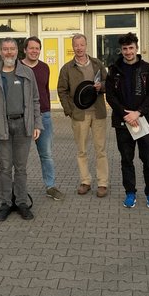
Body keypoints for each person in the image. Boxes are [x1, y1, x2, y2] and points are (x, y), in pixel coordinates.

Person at [0, 38, 42, 222]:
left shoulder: (27, 73)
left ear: (17, 51)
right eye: (5, 49)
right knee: (5, 168)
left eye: (12, 49)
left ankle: (21, 202)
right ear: (0, 52)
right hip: (2, 126)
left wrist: (37, 124)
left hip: (23, 125)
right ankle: (6, 203)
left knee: (21, 168)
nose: (9, 52)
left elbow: (35, 100)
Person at [106, 32, 149, 209]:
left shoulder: (148, 69)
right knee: (126, 160)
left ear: (136, 48)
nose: (128, 52)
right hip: (123, 123)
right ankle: (130, 193)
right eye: (125, 49)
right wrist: (125, 114)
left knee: (148, 159)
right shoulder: (114, 70)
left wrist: (138, 113)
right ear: (121, 50)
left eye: (131, 48)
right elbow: (110, 96)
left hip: (144, 120)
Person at [57, 33, 109, 197]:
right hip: (79, 115)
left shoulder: (97, 64)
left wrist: (102, 86)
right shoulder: (67, 68)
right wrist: (69, 111)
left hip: (98, 112)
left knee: (100, 150)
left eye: (82, 45)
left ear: (86, 45)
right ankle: (85, 181)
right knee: (81, 150)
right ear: (72, 47)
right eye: (76, 45)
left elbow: (109, 83)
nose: (79, 48)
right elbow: (62, 90)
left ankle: (102, 183)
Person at [20, 36, 64, 201]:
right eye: (31, 48)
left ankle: (50, 186)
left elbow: (45, 90)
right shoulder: (17, 67)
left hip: (43, 115)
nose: (34, 51)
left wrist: (47, 111)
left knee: (46, 154)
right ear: (25, 50)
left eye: (37, 48)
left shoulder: (45, 67)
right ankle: (19, 189)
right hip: (22, 117)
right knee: (20, 156)